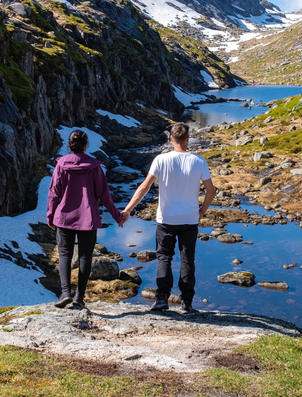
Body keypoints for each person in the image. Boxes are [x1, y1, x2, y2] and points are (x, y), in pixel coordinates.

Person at [122, 122, 215, 315]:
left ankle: (162, 298)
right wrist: (202, 211)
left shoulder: (160, 160)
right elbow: (211, 191)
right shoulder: (199, 161)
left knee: (164, 258)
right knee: (187, 260)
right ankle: (186, 302)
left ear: (171, 138)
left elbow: (144, 187)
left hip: (166, 219)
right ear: (187, 139)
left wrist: (128, 210)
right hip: (190, 219)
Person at [47, 129, 125, 308]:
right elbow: (105, 196)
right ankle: (79, 297)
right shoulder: (94, 166)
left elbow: (53, 193)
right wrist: (117, 216)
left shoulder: (61, 164)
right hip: (87, 218)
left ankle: (65, 293)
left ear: (70, 145)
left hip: (64, 217)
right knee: (85, 256)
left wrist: (50, 216)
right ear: (85, 145)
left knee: (65, 255)